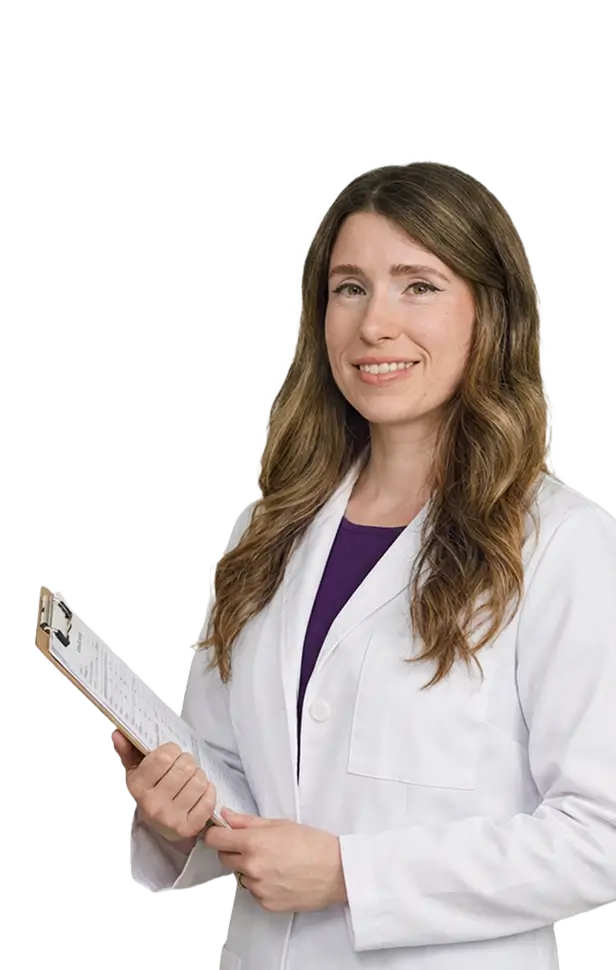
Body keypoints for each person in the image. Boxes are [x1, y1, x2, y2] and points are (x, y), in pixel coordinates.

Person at [114, 162, 616, 969]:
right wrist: (181, 814)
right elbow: (240, 775)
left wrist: (352, 874)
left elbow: (601, 839)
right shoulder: (273, 526)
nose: (374, 324)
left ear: (491, 313)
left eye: (418, 285)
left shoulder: (559, 544)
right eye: (349, 288)